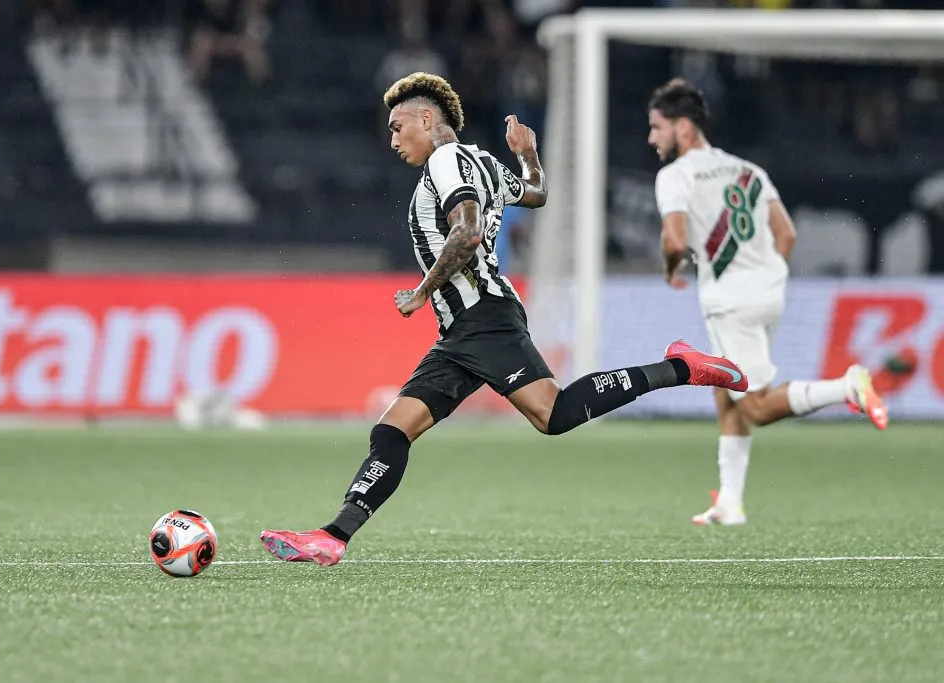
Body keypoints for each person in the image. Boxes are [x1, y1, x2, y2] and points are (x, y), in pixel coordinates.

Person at [258, 72, 750, 565]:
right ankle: (333, 536)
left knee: (551, 415)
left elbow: (468, 232)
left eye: (397, 126)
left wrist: (422, 292)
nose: (392, 140)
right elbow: (535, 193)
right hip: (463, 331)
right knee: (393, 430)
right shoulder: (485, 162)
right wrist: (528, 154)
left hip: (481, 317)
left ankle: (681, 367)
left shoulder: (447, 160)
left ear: (426, 119)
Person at [647, 78, 888, 527]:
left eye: (657, 127)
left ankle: (847, 388)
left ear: (682, 128)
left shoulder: (674, 176)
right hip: (771, 290)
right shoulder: (748, 170)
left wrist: (669, 267)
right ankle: (730, 502)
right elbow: (787, 234)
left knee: (753, 404)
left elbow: (675, 240)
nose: (651, 138)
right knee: (725, 387)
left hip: (730, 298)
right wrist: (762, 276)